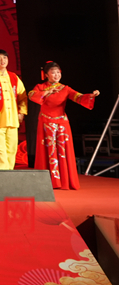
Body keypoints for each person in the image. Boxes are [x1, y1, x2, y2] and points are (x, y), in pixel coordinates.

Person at [28, 61, 98, 190]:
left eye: (58, 72)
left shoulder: (65, 88)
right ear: (46, 75)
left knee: (62, 152)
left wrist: (91, 96)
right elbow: (32, 96)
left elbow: (78, 97)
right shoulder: (40, 87)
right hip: (46, 122)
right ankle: (49, 181)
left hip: (61, 123)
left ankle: (64, 181)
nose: (56, 75)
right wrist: (48, 92)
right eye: (53, 72)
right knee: (48, 152)